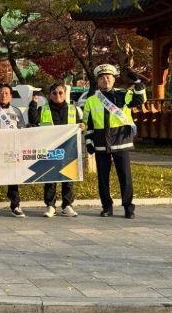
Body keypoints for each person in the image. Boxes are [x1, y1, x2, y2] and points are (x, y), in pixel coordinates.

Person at [83, 64, 146, 219]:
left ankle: (128, 208)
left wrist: (138, 82)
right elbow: (88, 123)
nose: (105, 80)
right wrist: (89, 141)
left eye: (108, 77)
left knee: (125, 177)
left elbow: (140, 99)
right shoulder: (91, 100)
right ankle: (106, 207)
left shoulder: (124, 94)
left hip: (121, 140)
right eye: (102, 78)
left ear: (113, 79)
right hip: (100, 142)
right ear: (98, 81)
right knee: (103, 179)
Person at [28, 83, 83, 218]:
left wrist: (82, 127)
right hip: (50, 149)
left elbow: (78, 125)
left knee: (68, 178)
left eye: (60, 92)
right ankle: (50, 206)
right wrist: (33, 103)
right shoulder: (43, 109)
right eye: (54, 93)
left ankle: (67, 205)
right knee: (50, 178)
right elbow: (33, 120)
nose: (58, 95)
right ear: (50, 95)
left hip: (68, 149)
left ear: (64, 94)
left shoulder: (73, 109)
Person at [0, 83, 26, 217]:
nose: (4, 95)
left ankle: (15, 205)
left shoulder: (16, 111)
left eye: (7, 93)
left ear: (11, 96)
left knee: (13, 178)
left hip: (11, 150)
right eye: (1, 93)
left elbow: (22, 129)